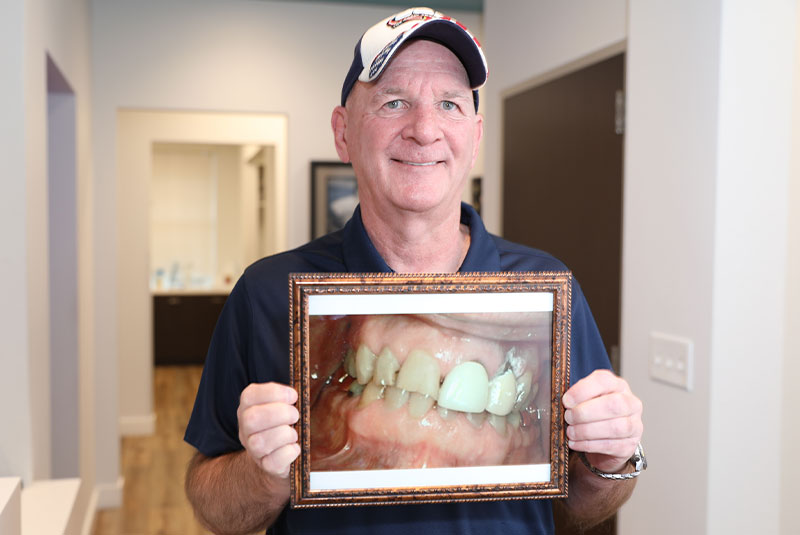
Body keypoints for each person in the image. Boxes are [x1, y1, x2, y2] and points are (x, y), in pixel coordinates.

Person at [184, 7, 644, 535]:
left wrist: (610, 459)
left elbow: (585, 506)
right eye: (393, 102)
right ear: (343, 133)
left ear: (474, 136)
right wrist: (261, 474)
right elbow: (216, 507)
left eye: (449, 104)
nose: (424, 130)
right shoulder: (266, 294)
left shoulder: (548, 292)